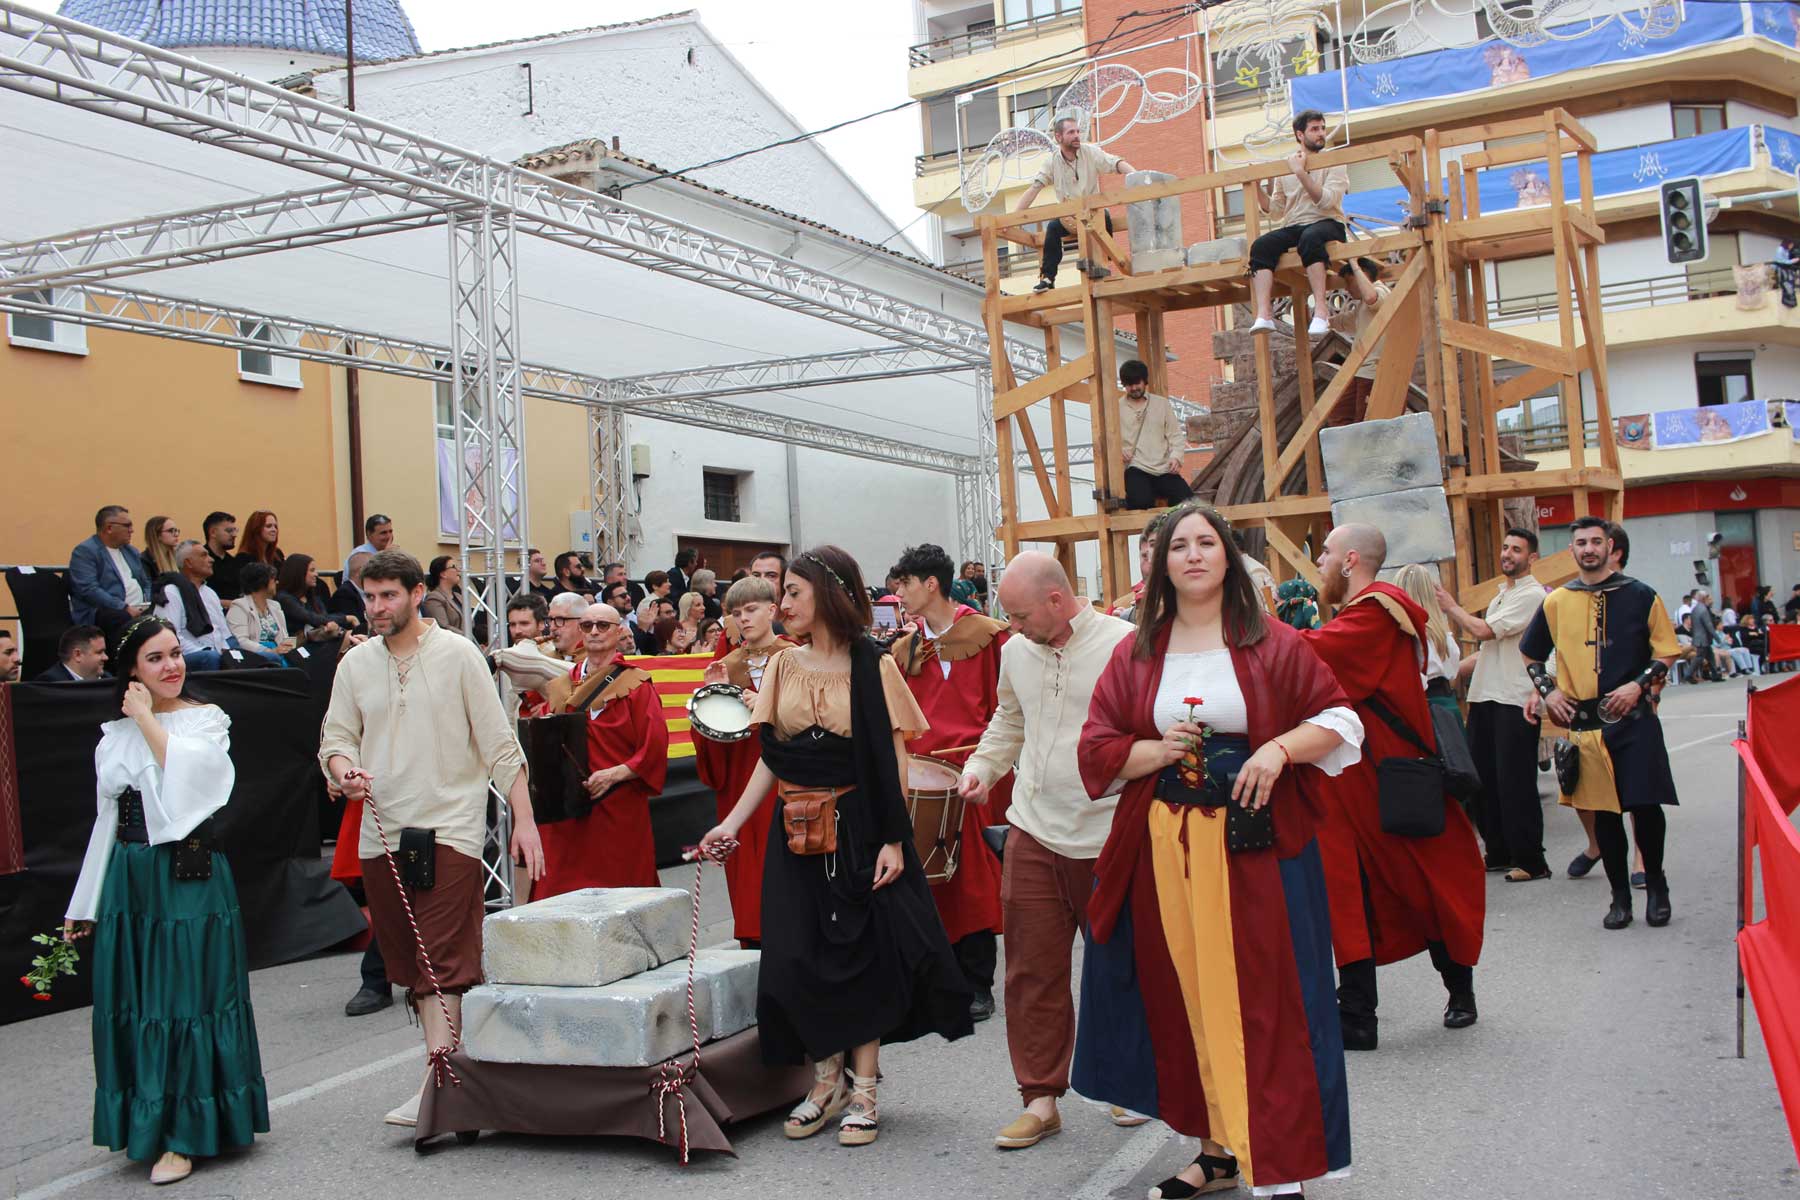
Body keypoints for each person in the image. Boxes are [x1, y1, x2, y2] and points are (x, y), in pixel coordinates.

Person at [1075, 503, 1360, 1197]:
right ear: (1162, 564)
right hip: (1165, 849)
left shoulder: (1273, 641)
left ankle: (1281, 1162)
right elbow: (1098, 743)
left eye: (1207, 542)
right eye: (1180, 545)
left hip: (1257, 848)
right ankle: (1216, 1154)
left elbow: (1338, 719)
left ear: (1228, 557)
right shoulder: (1138, 652)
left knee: (1269, 998)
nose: (1194, 555)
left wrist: (1278, 748)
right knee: (1186, 997)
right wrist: (1153, 750)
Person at [700, 546, 972, 1147]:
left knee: (861, 954)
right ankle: (826, 1083)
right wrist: (732, 823)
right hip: (794, 827)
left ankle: (864, 1089)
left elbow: (894, 760)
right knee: (800, 953)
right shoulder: (782, 666)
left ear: (827, 594)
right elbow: (771, 759)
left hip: (858, 825)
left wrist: (895, 839)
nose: (784, 603)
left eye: (794, 592)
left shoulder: (873, 665)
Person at [320, 550, 544, 1128]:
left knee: (441, 955)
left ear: (418, 594)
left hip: (450, 825)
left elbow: (498, 742)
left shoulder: (458, 654)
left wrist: (524, 819)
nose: (376, 607)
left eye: (388, 595)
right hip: (380, 830)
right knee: (411, 961)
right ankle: (456, 1078)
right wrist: (345, 772)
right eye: (369, 596)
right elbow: (336, 739)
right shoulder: (354, 664)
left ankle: (438, 1084)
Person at [63, 617, 268, 1185]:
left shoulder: (206, 720)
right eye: (155, 658)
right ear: (132, 670)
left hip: (187, 877)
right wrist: (85, 901)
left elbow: (192, 791)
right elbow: (107, 822)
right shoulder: (115, 735)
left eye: (175, 653)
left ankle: (185, 1134)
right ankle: (149, 1124)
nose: (172, 665)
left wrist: (147, 718)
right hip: (132, 880)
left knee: (185, 1001)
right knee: (142, 1002)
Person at [954, 552, 1137, 1149]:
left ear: (1056, 600)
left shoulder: (1126, 645)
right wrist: (982, 768)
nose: (1012, 626)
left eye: (1019, 615)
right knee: (1031, 972)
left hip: (1110, 834)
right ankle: (1039, 1098)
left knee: (1118, 970)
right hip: (1031, 830)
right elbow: (1008, 722)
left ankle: (1125, 1082)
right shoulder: (1015, 652)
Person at [1301, 523, 1486, 1049]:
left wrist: (1248, 619)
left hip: (1389, 778)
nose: (1319, 562)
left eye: (1326, 553)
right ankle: (1357, 1014)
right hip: (1349, 781)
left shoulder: (1378, 611)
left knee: (1426, 886)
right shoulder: (1363, 612)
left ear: (1350, 560)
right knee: (1349, 894)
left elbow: (1314, 653)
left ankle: (1459, 989)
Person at [1520, 517, 1680, 930]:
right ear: (1571, 550)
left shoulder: (1642, 595)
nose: (1588, 549)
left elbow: (1666, 652)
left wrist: (1637, 685)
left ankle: (1656, 886)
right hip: (1586, 725)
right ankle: (1619, 897)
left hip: (1634, 719)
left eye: (1596, 541)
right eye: (1581, 543)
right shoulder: (1556, 602)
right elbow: (1531, 654)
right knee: (1605, 815)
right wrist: (1549, 692)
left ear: (1611, 547)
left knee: (1645, 806)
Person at [889, 542, 1009, 1022]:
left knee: (972, 881)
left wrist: (992, 764)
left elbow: (1007, 707)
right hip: (922, 778)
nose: (899, 594)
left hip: (975, 770)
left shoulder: (989, 636)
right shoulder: (904, 648)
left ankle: (977, 982)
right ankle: (938, 981)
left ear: (931, 584)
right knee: (927, 880)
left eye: (904, 585)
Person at [1435, 528, 1549, 881]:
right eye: (1505, 547)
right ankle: (1498, 852)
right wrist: (1446, 672)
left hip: (1514, 699)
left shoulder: (1532, 595)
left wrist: (1451, 607)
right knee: (1484, 781)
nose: (1507, 554)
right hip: (1485, 696)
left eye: (1516, 550)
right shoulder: (1503, 595)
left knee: (1515, 781)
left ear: (1531, 558)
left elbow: (1484, 631)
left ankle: (1531, 860)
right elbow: (1487, 651)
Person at [533, 601, 668, 897]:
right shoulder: (560, 686)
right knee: (562, 894)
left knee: (622, 891)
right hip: (566, 812)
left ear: (619, 632)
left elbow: (655, 747)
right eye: (587, 625)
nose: (594, 631)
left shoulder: (636, 684)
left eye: (603, 625)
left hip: (616, 806)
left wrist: (614, 774)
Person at [697, 576, 798, 948]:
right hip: (741, 778)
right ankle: (754, 942)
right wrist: (712, 697)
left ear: (772, 610)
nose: (744, 619)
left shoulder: (797, 655)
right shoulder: (726, 665)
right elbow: (712, 738)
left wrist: (767, 705)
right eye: (736, 613)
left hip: (788, 778)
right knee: (748, 871)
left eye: (751, 609)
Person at [1248, 109, 1350, 337]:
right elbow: (1276, 210)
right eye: (1314, 129)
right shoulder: (1289, 165)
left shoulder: (1334, 161)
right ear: (1300, 135)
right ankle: (1264, 314)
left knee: (1310, 238)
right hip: (1295, 225)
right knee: (1261, 246)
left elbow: (1326, 201)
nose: (1321, 133)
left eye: (1322, 128)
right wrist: (1256, 186)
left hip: (1328, 222)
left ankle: (1321, 311)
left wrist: (1301, 173)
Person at [1013, 114, 1136, 293]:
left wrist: (1137, 176)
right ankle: (1048, 278)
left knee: (1105, 218)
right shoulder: (1052, 162)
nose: (1077, 135)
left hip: (1094, 214)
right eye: (1071, 132)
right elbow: (1035, 188)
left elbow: (1115, 163)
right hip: (1069, 218)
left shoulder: (1090, 152)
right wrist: (1014, 217)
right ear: (1059, 137)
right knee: (1052, 228)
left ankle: (1105, 262)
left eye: (1078, 131)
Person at [153, 539, 269, 669]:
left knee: (269, 658)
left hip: (219, 654)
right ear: (188, 563)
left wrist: (234, 653)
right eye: (204, 555)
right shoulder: (172, 592)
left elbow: (226, 634)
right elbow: (170, 636)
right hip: (189, 656)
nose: (211, 560)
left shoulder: (210, 593)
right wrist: (207, 652)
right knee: (211, 658)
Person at [1116, 358, 1192, 511]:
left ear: (1145, 381)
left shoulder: (1161, 404)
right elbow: (1108, 440)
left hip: (1163, 468)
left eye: (1137, 383)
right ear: (1124, 385)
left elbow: (1176, 435)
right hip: (1136, 467)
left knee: (1188, 502)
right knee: (1140, 502)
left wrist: (1176, 457)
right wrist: (1119, 451)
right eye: (1129, 385)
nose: (1134, 388)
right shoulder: (1116, 407)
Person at [68, 505, 153, 636]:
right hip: (106, 612)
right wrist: (124, 607)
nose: (132, 530)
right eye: (127, 525)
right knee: (119, 617)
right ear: (109, 528)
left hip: (138, 608)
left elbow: (145, 581)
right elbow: (89, 589)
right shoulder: (85, 552)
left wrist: (147, 603)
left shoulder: (131, 551)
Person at [1394, 564, 1461, 723]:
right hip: (1448, 706)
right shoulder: (1443, 635)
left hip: (1424, 709)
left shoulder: (1405, 636)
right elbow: (1453, 670)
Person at [1332, 257, 1390, 426]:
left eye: (1348, 282)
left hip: (1373, 372)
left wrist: (1354, 263)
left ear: (1361, 275)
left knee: (1365, 422)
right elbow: (1342, 322)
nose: (1346, 288)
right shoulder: (1361, 308)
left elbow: (1372, 297)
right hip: (1359, 371)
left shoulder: (1381, 290)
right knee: (1339, 414)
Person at [494, 593, 562, 721]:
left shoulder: (557, 656)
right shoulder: (505, 657)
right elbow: (508, 709)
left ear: (541, 624)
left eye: (524, 624)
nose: (517, 631)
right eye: (512, 625)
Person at [227, 561, 296, 658]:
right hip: (256, 657)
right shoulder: (239, 606)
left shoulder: (275, 606)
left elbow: (284, 638)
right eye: (273, 579)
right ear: (262, 582)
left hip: (280, 654)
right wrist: (269, 651)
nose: (277, 582)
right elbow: (241, 641)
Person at [277, 555, 345, 648]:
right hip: (295, 647)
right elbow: (310, 617)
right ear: (299, 573)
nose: (316, 574)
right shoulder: (284, 598)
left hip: (318, 644)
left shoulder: (313, 597)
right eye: (312, 570)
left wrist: (330, 625)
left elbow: (324, 617)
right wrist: (346, 618)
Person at [539, 592, 592, 710]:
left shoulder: (598, 659)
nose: (552, 627)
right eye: (550, 620)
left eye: (560, 619)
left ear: (582, 623)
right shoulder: (544, 660)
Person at [202, 511, 249, 601]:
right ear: (213, 532)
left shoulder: (234, 563)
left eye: (235, 530)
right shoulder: (200, 560)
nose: (234, 535)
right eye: (229, 531)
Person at [37, 623, 107, 681]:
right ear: (78, 655)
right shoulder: (51, 683)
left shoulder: (107, 678)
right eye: (99, 652)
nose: (106, 657)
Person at [421, 556, 466, 634]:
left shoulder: (458, 596)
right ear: (443, 574)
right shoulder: (434, 598)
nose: (458, 570)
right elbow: (443, 627)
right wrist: (466, 636)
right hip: (451, 640)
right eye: (453, 567)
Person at [342, 513, 393, 581]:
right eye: (383, 533)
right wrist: (386, 556)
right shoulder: (359, 555)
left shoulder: (392, 552)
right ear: (369, 534)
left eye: (390, 531)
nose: (389, 536)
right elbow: (372, 581)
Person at [329, 551, 371, 632]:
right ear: (361, 571)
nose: (378, 572)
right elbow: (354, 628)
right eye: (374, 569)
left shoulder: (368, 592)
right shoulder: (344, 594)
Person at [1689, 589, 1719, 682]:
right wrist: (1717, 637)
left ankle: (1715, 675)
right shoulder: (1703, 610)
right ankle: (1688, 674)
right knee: (1699, 657)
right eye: (1707, 597)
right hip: (1703, 638)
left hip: (1699, 636)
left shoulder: (1695, 609)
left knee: (1710, 656)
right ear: (1703, 598)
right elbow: (1709, 625)